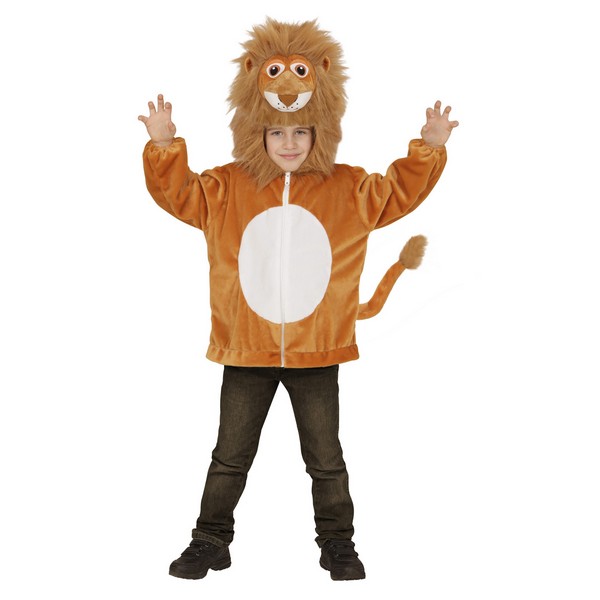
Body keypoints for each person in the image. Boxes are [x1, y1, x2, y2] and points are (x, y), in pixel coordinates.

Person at [138, 19, 458, 582]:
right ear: (256, 134)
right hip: (246, 349)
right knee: (228, 457)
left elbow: (395, 193)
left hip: (316, 351)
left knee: (326, 459)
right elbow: (180, 194)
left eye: (301, 134)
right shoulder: (227, 187)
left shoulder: (347, 188)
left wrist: (429, 149)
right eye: (278, 134)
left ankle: (337, 543)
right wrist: (164, 146)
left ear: (319, 134)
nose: (289, 144)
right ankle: (210, 540)